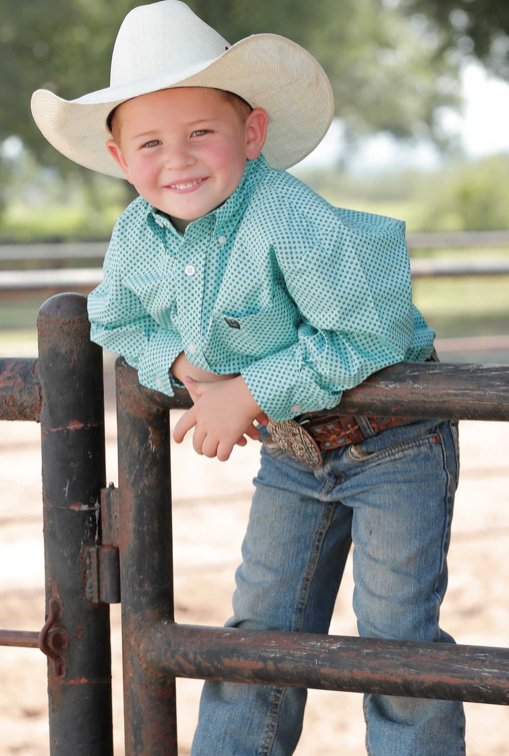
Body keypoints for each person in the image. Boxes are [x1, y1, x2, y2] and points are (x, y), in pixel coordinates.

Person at [31, 2, 465, 754]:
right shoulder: (138, 234)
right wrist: (175, 360)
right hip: (294, 454)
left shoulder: (286, 218)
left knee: (396, 635)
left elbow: (367, 334)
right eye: (150, 142)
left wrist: (247, 391)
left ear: (251, 134)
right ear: (118, 154)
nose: (178, 159)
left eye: (201, 132)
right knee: (257, 626)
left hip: (391, 442)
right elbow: (113, 318)